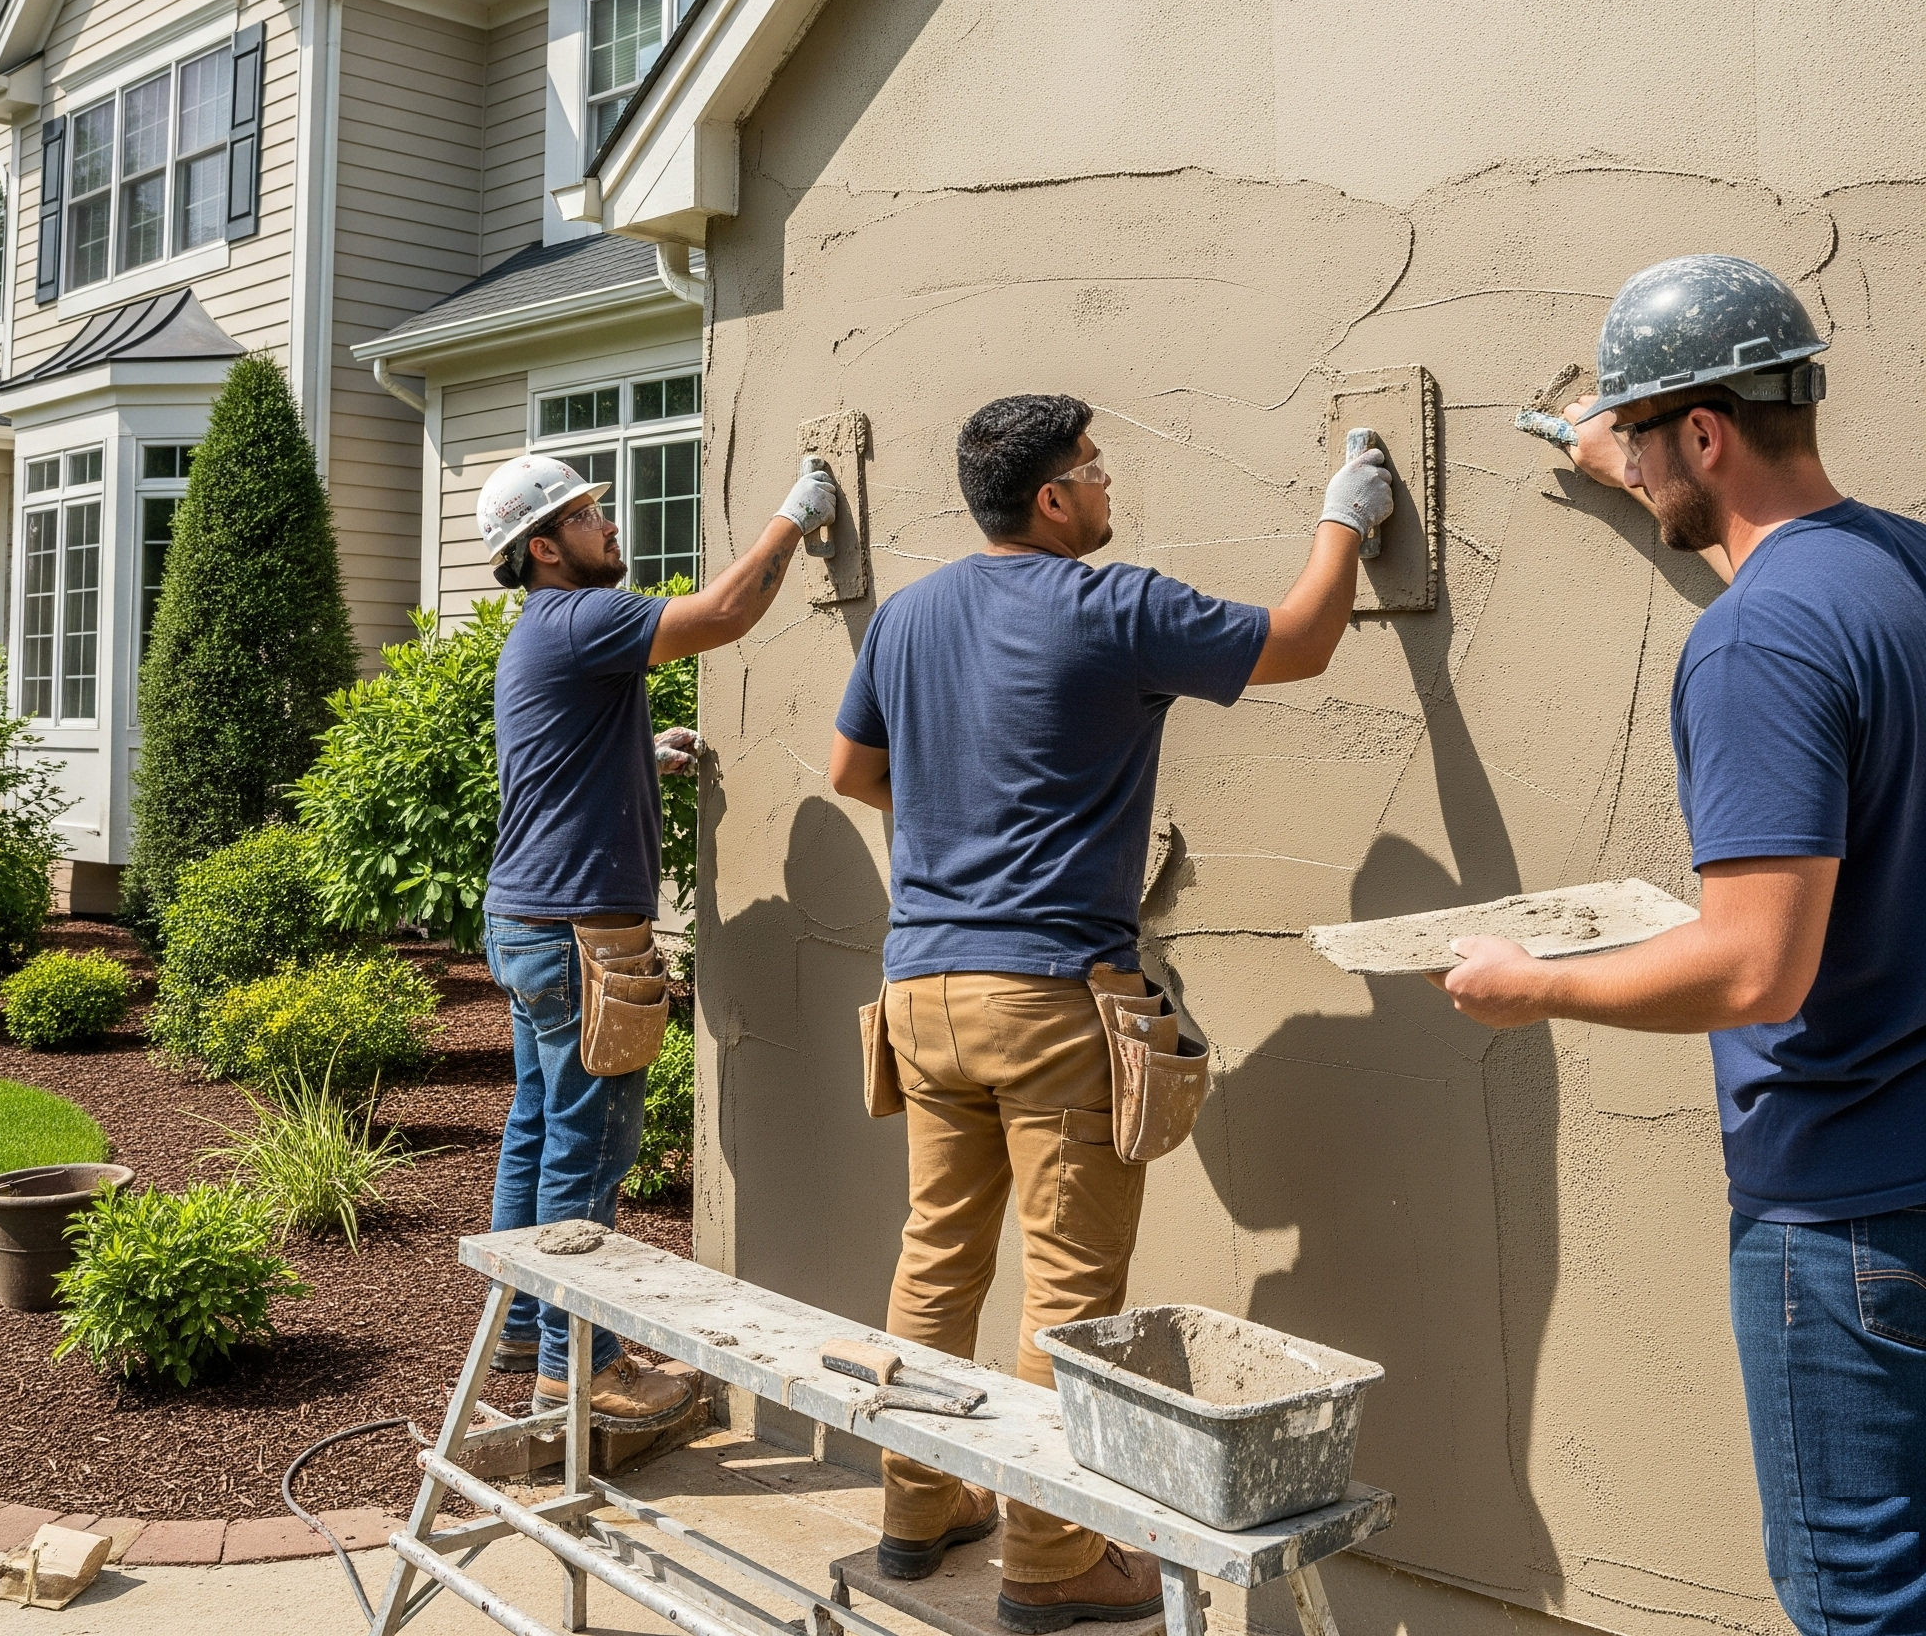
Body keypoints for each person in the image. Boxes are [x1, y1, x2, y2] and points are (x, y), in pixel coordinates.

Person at [828, 394, 1393, 1632]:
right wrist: (1345, 514)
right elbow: (1299, 639)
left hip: (919, 988)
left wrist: (960, 845)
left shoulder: (910, 614)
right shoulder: (1111, 605)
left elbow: (852, 772)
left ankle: (918, 1511)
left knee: (937, 1252)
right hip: (1047, 1000)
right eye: (1090, 470)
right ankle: (1049, 1558)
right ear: (1048, 498)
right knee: (1068, 1289)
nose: (1104, 487)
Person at [1443, 255, 1926, 1635]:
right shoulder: (1901, 571)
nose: (1636, 466)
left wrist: (1530, 984)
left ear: (1705, 436)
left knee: (1861, 1596)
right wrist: (1629, 465)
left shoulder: (1757, 645)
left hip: (1841, 1215)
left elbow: (1754, 967)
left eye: (1649, 440)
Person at [475, 448, 837, 1430]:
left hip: (525, 916)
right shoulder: (586, 614)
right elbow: (720, 614)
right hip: (577, 930)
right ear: (544, 547)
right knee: (591, 1144)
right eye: (586, 514)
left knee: (539, 1123)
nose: (608, 521)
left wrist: (645, 749)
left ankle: (519, 1322)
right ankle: (576, 1367)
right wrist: (796, 515)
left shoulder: (539, 631)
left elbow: (561, 752)